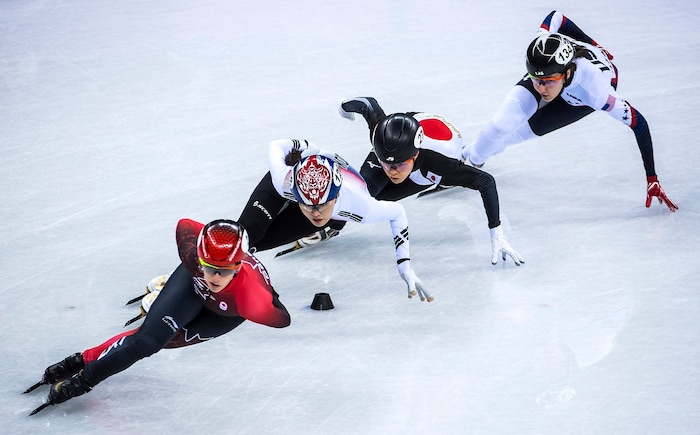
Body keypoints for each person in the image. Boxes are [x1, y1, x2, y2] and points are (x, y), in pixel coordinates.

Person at [26, 219, 290, 414]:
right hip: (191, 285)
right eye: (210, 267)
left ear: (239, 265)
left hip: (224, 314)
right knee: (146, 342)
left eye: (224, 270)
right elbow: (185, 225)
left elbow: (282, 318)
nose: (215, 277)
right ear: (199, 256)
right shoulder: (191, 252)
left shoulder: (253, 301)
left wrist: (269, 295)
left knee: (158, 341)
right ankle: (80, 366)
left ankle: (83, 374)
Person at [461, 10, 677, 212]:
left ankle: (469, 163)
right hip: (555, 72)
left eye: (547, 82)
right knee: (500, 125)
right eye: (535, 80)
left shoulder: (596, 92)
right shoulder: (542, 52)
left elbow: (638, 124)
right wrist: (592, 42)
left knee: (514, 136)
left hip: (577, 101)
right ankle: (468, 160)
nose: (540, 88)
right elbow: (556, 16)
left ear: (566, 72)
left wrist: (652, 178)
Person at [237, 139, 433, 301]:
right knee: (247, 235)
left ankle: (333, 224)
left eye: (322, 206)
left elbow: (397, 213)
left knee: (258, 244)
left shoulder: (360, 204)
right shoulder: (284, 181)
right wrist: (306, 146)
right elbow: (276, 145)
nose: (315, 213)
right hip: (295, 180)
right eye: (308, 205)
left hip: (333, 199)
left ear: (336, 196)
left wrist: (405, 266)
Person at [338, 97, 523, 266]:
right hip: (404, 137)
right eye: (386, 163)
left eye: (399, 165)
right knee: (361, 195)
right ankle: (330, 223)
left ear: (415, 155)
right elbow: (370, 107)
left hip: (433, 159)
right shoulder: (382, 133)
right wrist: (345, 107)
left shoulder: (441, 166)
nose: (391, 171)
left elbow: (486, 182)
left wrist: (496, 232)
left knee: (378, 200)